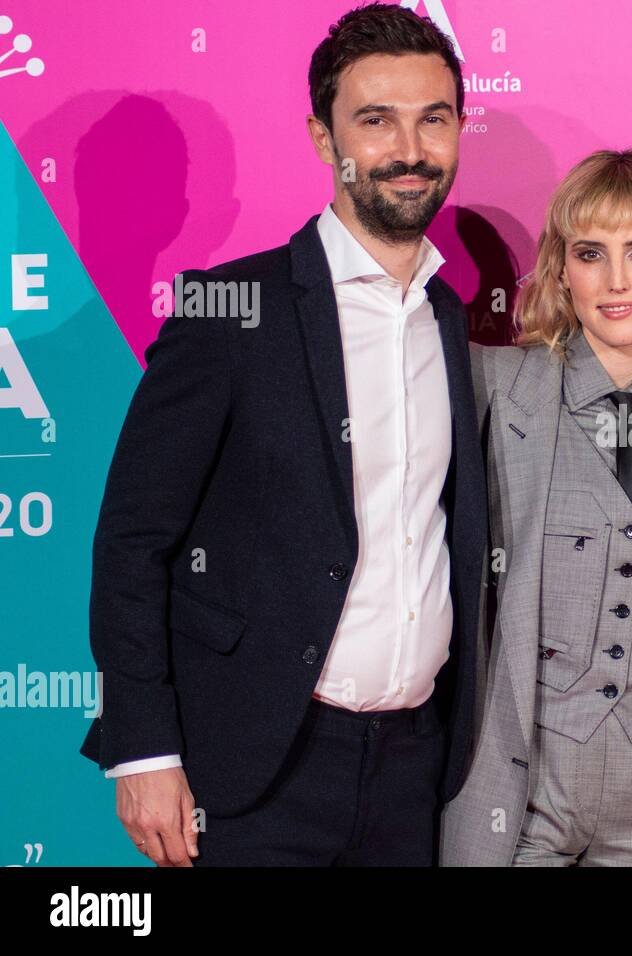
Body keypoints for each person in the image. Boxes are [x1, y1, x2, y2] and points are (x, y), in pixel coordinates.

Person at [80, 3, 486, 865]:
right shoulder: (231, 309)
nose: (409, 148)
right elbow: (134, 539)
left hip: (416, 770)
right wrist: (145, 748)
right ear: (321, 136)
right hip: (258, 763)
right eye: (374, 121)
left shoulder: (451, 320)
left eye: (433, 119)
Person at [440, 148, 632, 866]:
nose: (617, 281)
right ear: (560, 269)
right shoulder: (495, 387)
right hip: (518, 798)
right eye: (591, 254)